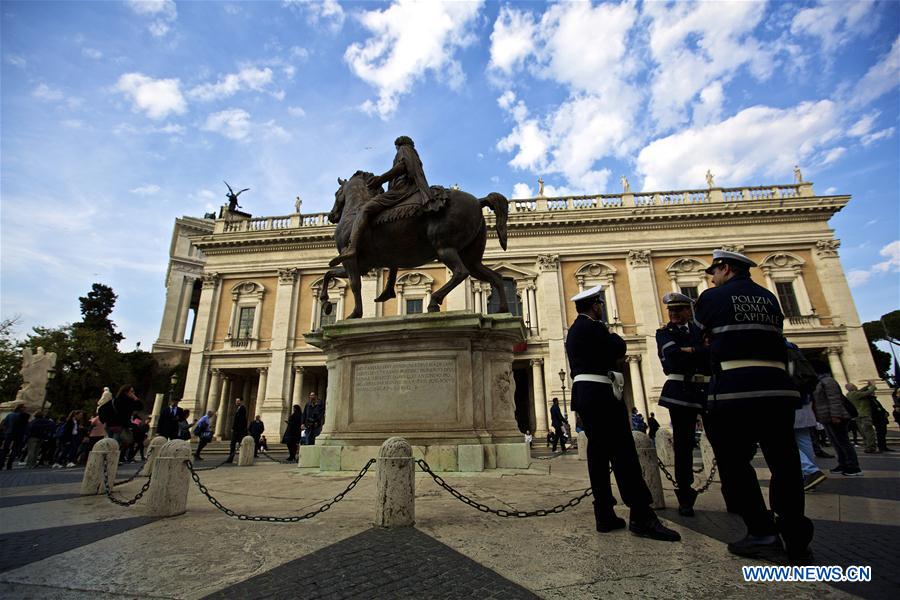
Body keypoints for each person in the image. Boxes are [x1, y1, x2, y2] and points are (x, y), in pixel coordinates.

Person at [694, 249, 812, 561]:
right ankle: (796, 535)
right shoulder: (770, 299)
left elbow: (702, 335)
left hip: (736, 390)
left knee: (735, 464)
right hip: (777, 390)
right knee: (785, 465)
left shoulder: (710, 298)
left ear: (727, 269)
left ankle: (762, 532)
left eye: (714, 272)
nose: (712, 277)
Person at [565, 284, 680, 542]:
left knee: (598, 453)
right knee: (623, 452)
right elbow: (618, 348)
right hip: (601, 394)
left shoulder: (574, 330)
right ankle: (641, 514)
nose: (602, 308)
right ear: (594, 306)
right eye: (600, 304)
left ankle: (604, 513)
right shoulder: (594, 327)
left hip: (584, 394)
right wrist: (612, 337)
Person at [329, 135, 435, 267]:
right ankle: (390, 285)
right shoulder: (412, 152)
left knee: (365, 209)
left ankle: (352, 247)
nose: (396, 148)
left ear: (398, 144)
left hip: (402, 190)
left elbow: (402, 166)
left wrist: (381, 179)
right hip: (406, 189)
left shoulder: (404, 150)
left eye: (396, 146)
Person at [655, 292, 710, 516]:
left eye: (679, 310)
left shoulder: (702, 331)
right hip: (681, 392)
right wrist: (699, 351)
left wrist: (691, 351)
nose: (674, 314)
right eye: (671, 311)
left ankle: (735, 493)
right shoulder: (664, 333)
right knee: (683, 445)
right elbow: (673, 358)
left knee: (723, 442)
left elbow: (714, 354)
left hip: (707, 391)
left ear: (690, 311)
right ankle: (685, 495)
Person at [786, 341, 826, 492]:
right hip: (804, 398)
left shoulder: (771, 345)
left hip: (786, 398)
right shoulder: (794, 348)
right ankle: (807, 477)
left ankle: (809, 471)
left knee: (779, 438)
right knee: (804, 439)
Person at [813, 370, 862, 476]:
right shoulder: (819, 381)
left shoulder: (828, 381)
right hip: (826, 416)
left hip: (835, 416)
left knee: (843, 441)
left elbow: (834, 399)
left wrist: (836, 415)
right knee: (835, 442)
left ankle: (853, 466)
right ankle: (843, 463)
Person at [103, 385, 144, 464]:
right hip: (118, 425)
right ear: (126, 392)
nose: (133, 393)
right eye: (131, 391)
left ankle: (110, 459)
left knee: (112, 442)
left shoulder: (115, 400)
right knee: (116, 443)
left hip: (109, 424)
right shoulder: (127, 401)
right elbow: (140, 406)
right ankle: (112, 460)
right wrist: (135, 398)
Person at [845, 382, 878, 453]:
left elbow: (860, 391)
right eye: (854, 385)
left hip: (858, 416)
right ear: (853, 387)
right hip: (864, 414)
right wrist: (873, 386)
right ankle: (871, 447)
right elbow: (868, 392)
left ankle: (868, 446)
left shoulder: (850, 395)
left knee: (863, 432)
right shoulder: (855, 394)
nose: (856, 386)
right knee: (869, 432)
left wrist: (867, 386)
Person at [0, 404, 29, 470]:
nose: (25, 409)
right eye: (24, 408)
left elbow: (4, 424)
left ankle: (1, 464)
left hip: (9, 433)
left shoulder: (10, 415)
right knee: (14, 450)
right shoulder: (24, 416)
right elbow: (26, 426)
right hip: (19, 435)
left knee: (5, 449)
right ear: (21, 408)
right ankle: (9, 465)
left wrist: (6, 431)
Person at [225, 398, 248, 463]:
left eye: (238, 401)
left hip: (239, 430)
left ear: (241, 401)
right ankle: (231, 458)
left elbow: (240, 420)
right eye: (236, 401)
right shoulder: (239, 408)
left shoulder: (242, 409)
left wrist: (235, 428)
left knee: (238, 444)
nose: (236, 402)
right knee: (233, 444)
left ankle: (242, 458)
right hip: (237, 430)